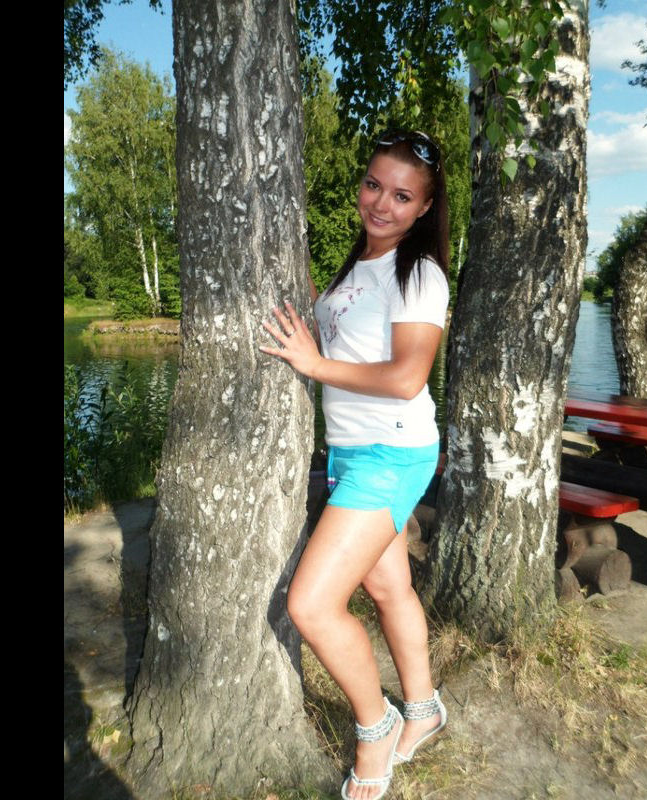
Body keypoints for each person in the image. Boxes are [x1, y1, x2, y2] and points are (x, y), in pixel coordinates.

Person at [259, 129, 450, 800]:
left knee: (311, 604)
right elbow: (343, 335)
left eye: (402, 196)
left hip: (392, 451)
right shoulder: (357, 267)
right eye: (374, 185)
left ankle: (376, 727)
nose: (382, 204)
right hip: (353, 449)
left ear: (425, 207)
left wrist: (312, 366)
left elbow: (406, 377)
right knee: (389, 588)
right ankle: (423, 710)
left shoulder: (419, 274)